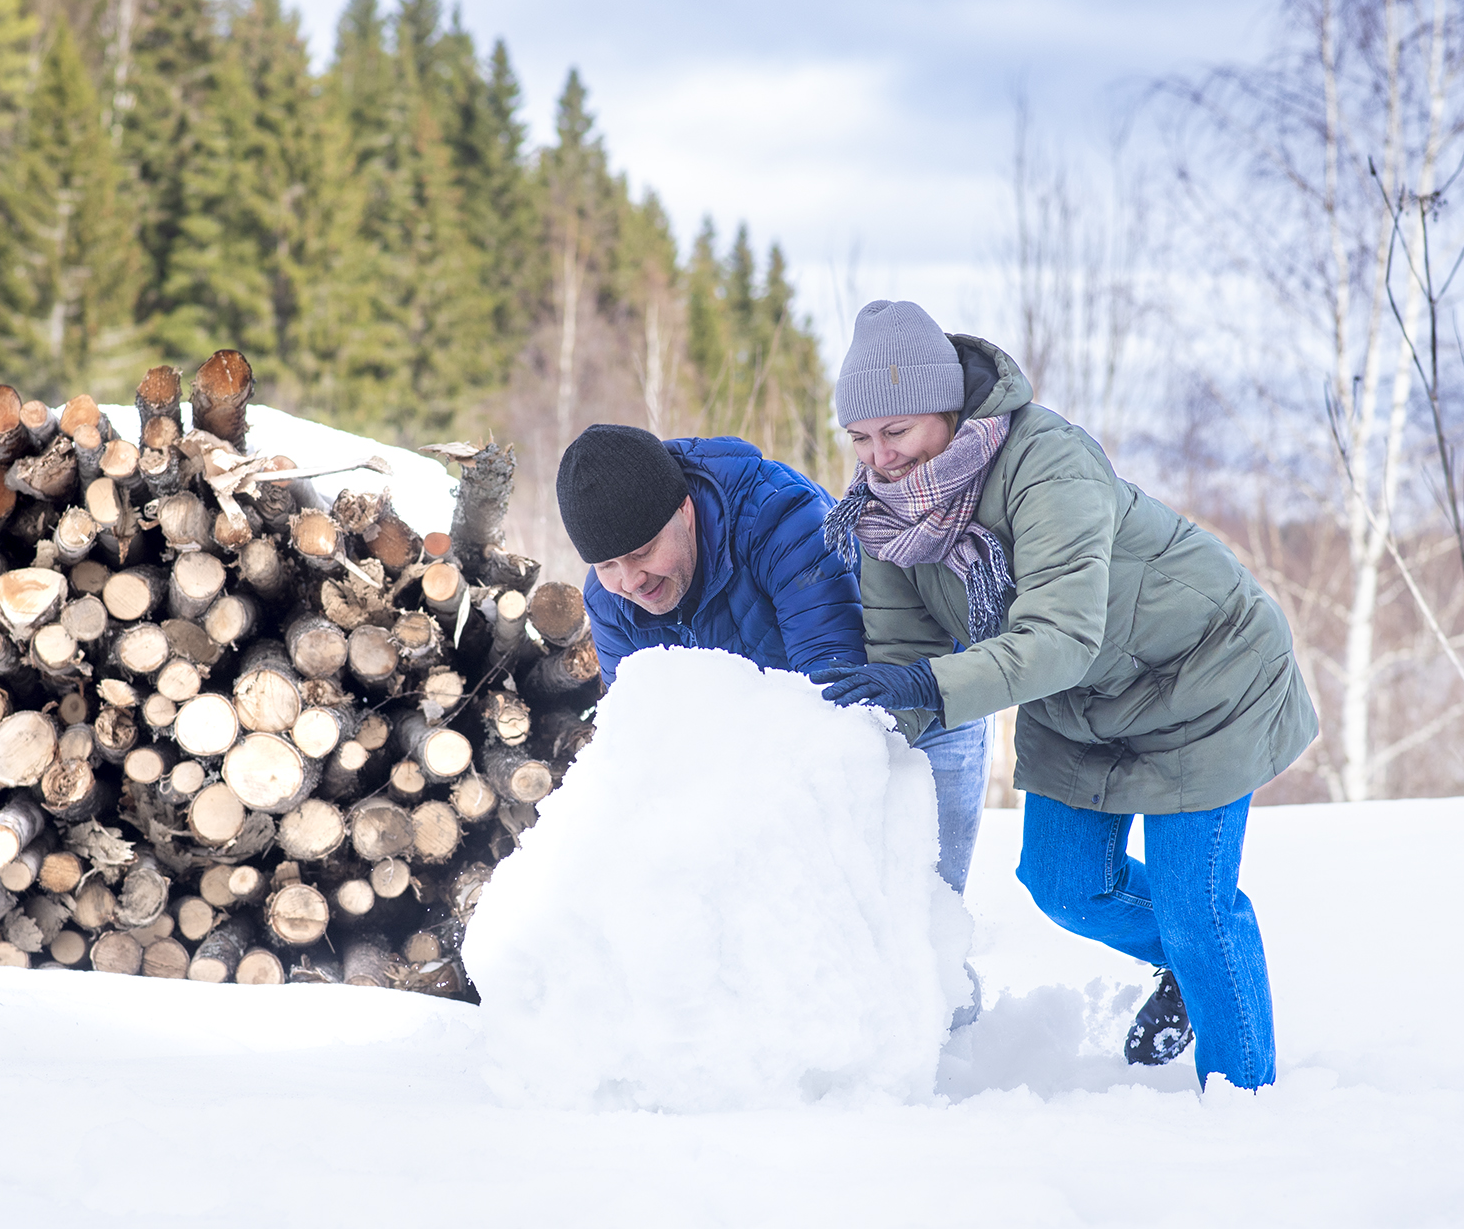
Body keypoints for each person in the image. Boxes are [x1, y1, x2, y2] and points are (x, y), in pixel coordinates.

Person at [810, 299, 1317, 1091]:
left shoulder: (1048, 463)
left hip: (1203, 674)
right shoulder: (886, 519)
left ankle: (1243, 1102)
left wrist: (923, 684)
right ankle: (1191, 963)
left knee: (1196, 909)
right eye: (862, 438)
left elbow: (1059, 635)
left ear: (947, 408)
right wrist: (853, 739)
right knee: (1065, 884)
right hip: (1084, 701)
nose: (880, 458)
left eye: (897, 431)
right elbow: (907, 660)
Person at [553, 423, 993, 896]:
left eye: (642, 553)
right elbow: (645, 742)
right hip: (779, 749)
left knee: (918, 917)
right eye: (607, 565)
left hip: (919, 703)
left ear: (684, 511)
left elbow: (834, 695)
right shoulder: (608, 599)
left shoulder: (779, 518)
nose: (630, 581)